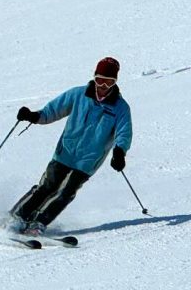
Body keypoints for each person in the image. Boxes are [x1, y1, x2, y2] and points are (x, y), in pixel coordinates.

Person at [10, 56, 132, 235]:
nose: (103, 87)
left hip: (88, 161)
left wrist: (119, 152)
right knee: (47, 187)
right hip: (65, 152)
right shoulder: (78, 95)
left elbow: (124, 132)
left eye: (108, 83)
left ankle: (38, 224)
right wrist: (33, 116)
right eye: (100, 80)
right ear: (94, 77)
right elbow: (52, 111)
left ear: (115, 83)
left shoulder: (120, 108)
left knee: (65, 192)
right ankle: (17, 218)